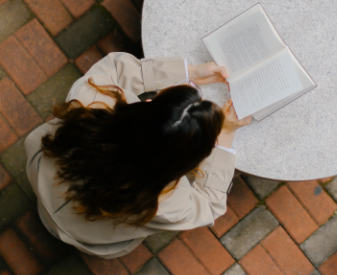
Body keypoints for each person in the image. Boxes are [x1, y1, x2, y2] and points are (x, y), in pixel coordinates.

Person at [25, 52, 250, 258]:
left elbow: (113, 68)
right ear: (187, 161)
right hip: (90, 236)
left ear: (148, 106)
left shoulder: (91, 102)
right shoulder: (166, 202)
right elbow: (210, 206)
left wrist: (189, 73)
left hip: (44, 179)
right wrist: (226, 136)